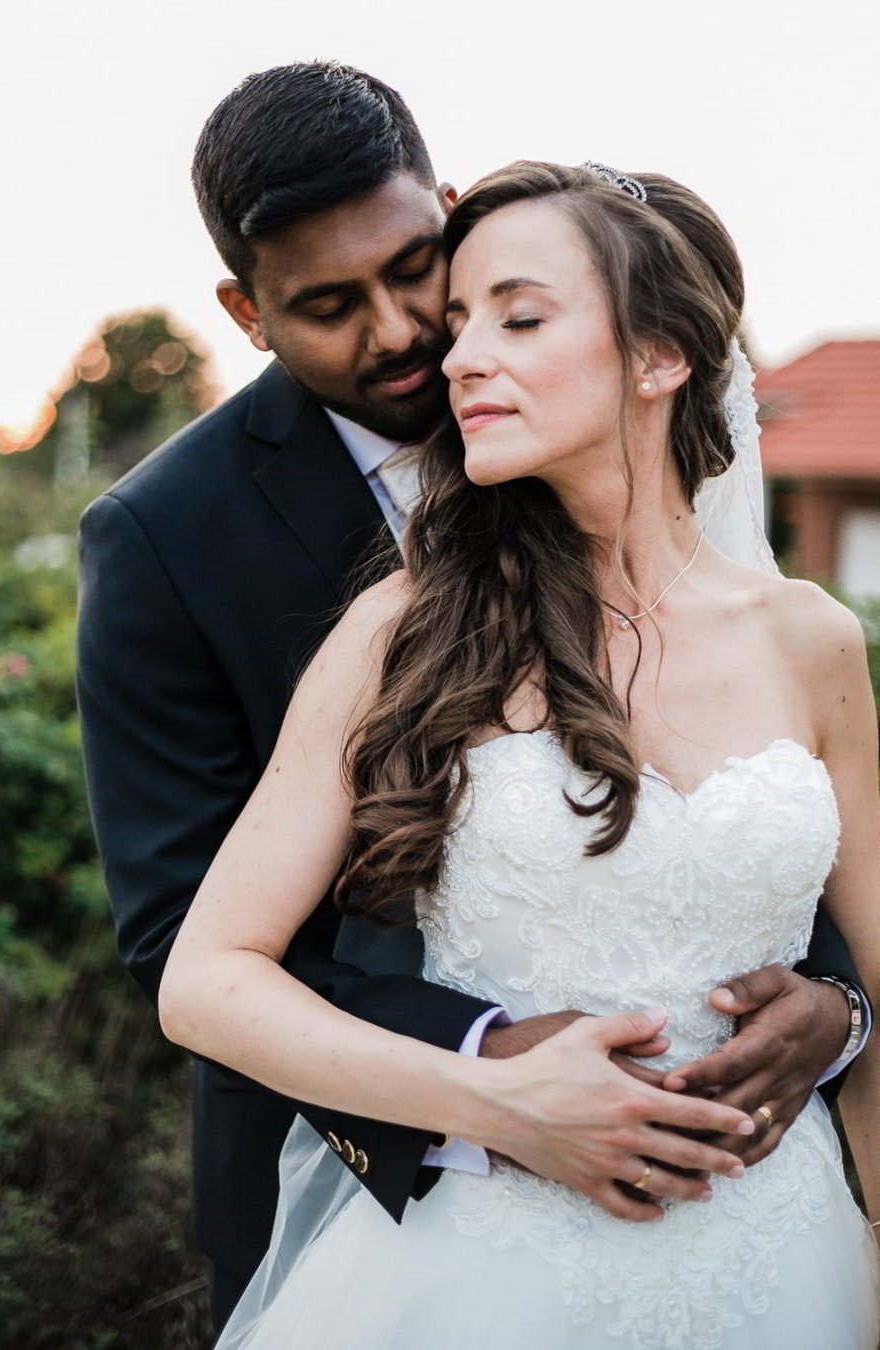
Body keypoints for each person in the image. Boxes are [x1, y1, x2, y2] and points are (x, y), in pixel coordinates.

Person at [75, 62, 871, 1336]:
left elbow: (789, 855)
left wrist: (838, 1012)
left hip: (763, 1230)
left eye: (419, 275)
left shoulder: (792, 627)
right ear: (248, 309)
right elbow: (189, 942)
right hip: (411, 1206)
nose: (412, 339)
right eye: (330, 306)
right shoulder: (180, 541)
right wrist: (493, 1074)